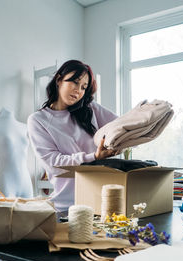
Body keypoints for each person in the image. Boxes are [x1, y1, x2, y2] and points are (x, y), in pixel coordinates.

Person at [27, 59, 119, 212]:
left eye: (84, 87)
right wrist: (93, 157)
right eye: (75, 82)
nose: (79, 91)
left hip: (101, 202)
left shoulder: (90, 109)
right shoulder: (38, 120)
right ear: (59, 80)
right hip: (68, 207)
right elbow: (55, 165)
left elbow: (120, 126)